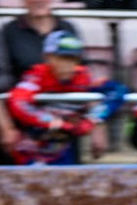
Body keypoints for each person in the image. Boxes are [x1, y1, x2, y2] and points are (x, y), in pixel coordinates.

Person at [6, 30, 113, 164]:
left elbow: (116, 91)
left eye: (72, 59)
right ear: (48, 57)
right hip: (32, 146)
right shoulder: (37, 75)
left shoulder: (84, 77)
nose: (66, 64)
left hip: (64, 146)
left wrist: (93, 119)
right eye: (61, 58)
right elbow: (18, 101)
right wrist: (49, 120)